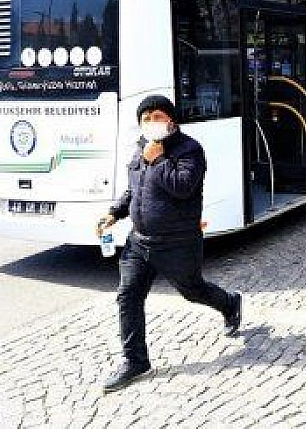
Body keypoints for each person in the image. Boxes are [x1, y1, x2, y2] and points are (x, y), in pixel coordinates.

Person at [96, 95, 242, 393]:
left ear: (171, 120)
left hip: (177, 243)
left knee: (193, 291)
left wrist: (159, 160)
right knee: (128, 296)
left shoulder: (189, 150)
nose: (151, 123)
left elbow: (183, 187)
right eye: (146, 118)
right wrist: (114, 213)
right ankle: (135, 360)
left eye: (157, 117)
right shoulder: (141, 148)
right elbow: (134, 190)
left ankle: (229, 303)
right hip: (139, 242)